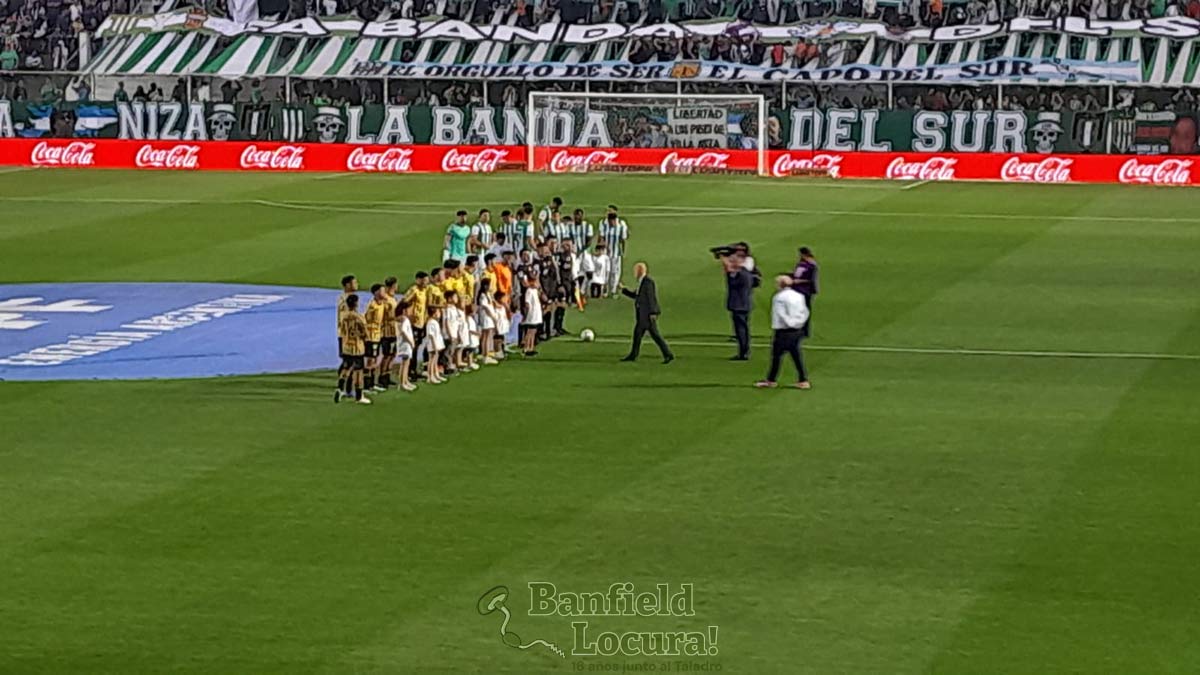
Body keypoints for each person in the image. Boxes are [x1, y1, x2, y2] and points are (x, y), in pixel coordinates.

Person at [756, 276, 811, 389]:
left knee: (777, 356)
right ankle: (803, 379)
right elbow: (805, 311)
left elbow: (781, 314)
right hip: (797, 330)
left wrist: (789, 323)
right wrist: (799, 323)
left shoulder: (779, 297)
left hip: (783, 331)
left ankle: (771, 380)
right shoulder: (799, 295)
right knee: (795, 355)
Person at [620, 262, 674, 364]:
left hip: (646, 315)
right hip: (642, 315)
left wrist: (653, 312)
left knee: (654, 336)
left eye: (635, 270)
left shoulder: (648, 282)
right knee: (639, 335)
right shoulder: (642, 282)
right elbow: (636, 296)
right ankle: (633, 355)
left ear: (640, 271)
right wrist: (623, 290)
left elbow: (651, 298)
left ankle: (668, 355)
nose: (634, 273)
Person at [335, 293, 372, 404]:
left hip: (346, 346)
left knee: (346, 368)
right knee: (358, 372)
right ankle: (359, 396)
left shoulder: (344, 316)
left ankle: (340, 388)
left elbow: (341, 330)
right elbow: (365, 333)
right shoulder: (359, 317)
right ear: (356, 304)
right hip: (357, 347)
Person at [724, 253, 754, 361]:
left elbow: (732, 283)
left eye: (734, 261)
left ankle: (743, 352)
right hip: (743, 304)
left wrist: (728, 270)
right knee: (743, 329)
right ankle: (744, 351)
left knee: (741, 330)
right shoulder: (745, 273)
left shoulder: (742, 274)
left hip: (739, 305)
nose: (731, 263)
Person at [791, 246, 819, 338]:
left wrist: (798, 281)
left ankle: (805, 330)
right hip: (797, 290)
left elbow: (811, 279)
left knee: (805, 311)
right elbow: (796, 274)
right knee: (797, 310)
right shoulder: (800, 263)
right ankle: (798, 328)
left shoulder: (812, 265)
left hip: (805, 291)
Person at [364, 283, 387, 392]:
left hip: (378, 335)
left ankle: (372, 383)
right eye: (382, 291)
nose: (384, 293)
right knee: (370, 360)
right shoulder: (372, 306)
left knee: (375, 359)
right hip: (371, 336)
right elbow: (366, 320)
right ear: (377, 292)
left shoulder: (382, 304)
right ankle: (366, 384)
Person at [336, 274, 358, 389]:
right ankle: (344, 386)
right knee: (349, 361)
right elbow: (344, 320)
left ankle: (346, 385)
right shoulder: (345, 301)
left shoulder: (349, 298)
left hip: (348, 335)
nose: (357, 284)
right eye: (354, 283)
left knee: (350, 361)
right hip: (346, 336)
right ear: (347, 285)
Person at [599, 210, 628, 297]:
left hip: (616, 253)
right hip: (606, 253)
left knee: (614, 272)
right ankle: (605, 289)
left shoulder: (621, 226)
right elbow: (602, 238)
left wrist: (623, 251)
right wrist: (603, 248)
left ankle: (613, 290)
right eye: (610, 221)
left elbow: (623, 240)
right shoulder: (604, 225)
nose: (612, 223)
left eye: (613, 221)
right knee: (605, 271)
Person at [378, 276, 400, 389]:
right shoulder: (386, 299)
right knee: (387, 355)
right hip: (387, 332)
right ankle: (382, 377)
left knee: (392, 354)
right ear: (393, 285)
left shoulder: (392, 298)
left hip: (394, 331)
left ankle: (387, 375)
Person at [396, 300, 418, 391]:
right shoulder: (405, 319)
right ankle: (402, 383)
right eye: (409, 309)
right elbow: (404, 331)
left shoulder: (403, 319)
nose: (411, 311)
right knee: (405, 364)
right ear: (404, 310)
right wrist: (411, 341)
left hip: (405, 343)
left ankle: (405, 381)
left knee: (406, 363)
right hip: (405, 344)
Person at [424, 305, 446, 383]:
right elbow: (431, 335)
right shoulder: (430, 322)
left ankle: (436, 374)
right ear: (434, 314)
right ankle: (430, 376)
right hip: (433, 345)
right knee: (431, 361)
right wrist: (435, 346)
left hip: (437, 344)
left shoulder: (435, 322)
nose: (440, 313)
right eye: (438, 312)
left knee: (435, 360)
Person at [522, 276, 543, 357]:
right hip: (532, 313)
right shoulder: (529, 291)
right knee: (530, 331)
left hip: (536, 313)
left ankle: (531, 347)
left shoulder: (535, 290)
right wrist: (526, 315)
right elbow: (527, 304)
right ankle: (526, 348)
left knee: (534, 331)